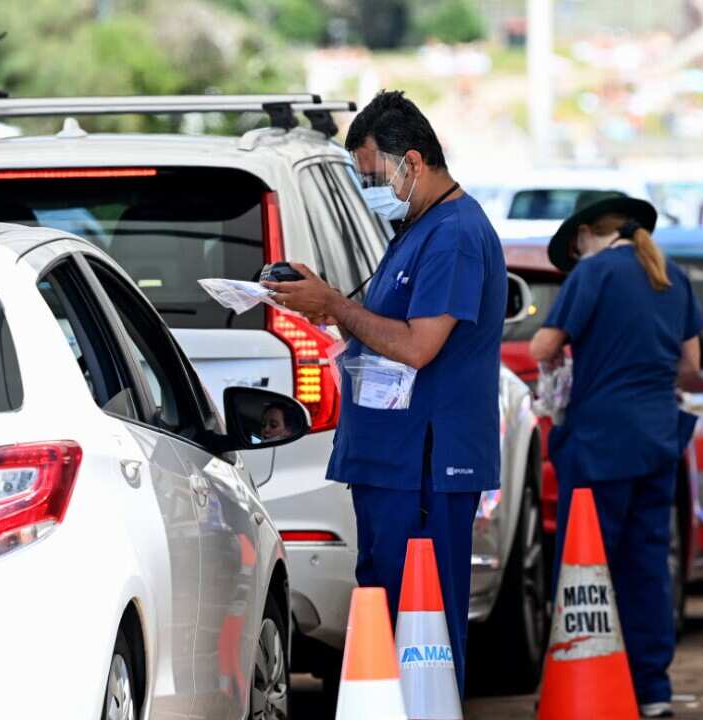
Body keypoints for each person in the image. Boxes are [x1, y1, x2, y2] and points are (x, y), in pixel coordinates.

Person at [263, 90, 505, 694]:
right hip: (391, 462)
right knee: (387, 615)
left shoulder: (453, 235)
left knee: (422, 624)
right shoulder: (417, 229)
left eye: (374, 175)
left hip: (424, 466)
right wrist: (328, 305)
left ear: (413, 163)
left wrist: (336, 305)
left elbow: (420, 346)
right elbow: (383, 330)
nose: (371, 189)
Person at [529, 191, 703, 719]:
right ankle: (652, 689)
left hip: (599, 443)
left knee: (587, 565)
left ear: (586, 234)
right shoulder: (670, 275)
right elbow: (692, 362)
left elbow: (542, 347)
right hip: (657, 438)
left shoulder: (593, 274)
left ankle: (581, 676)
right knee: (647, 565)